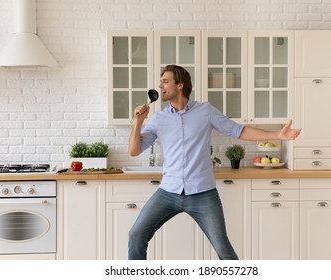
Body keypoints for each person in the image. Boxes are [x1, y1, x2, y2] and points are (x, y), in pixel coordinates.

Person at [128, 64, 301, 260]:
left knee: (223, 248)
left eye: (165, 81)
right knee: (136, 235)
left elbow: (238, 130)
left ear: (180, 85)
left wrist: (277, 134)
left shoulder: (205, 111)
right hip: (168, 192)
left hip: (203, 193)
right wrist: (139, 121)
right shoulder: (159, 119)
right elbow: (134, 150)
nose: (160, 85)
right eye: (160, 81)